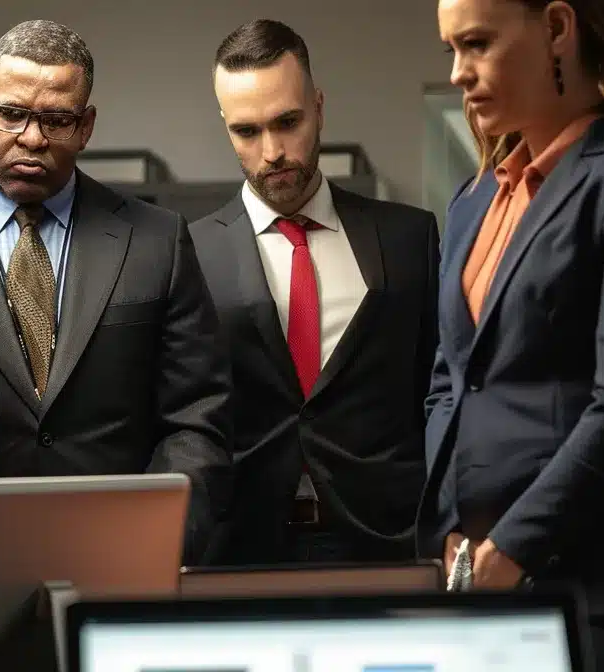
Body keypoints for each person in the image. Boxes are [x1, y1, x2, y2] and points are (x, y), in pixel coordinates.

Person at [427, 0, 604, 669]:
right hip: (487, 592)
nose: (457, 73)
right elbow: (450, 381)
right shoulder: (473, 203)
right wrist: (450, 530)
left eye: (475, 44)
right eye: (450, 49)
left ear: (558, 28)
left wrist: (514, 548)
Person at [0, 19, 232, 562]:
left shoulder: (156, 240)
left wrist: (162, 536)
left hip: (125, 552)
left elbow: (197, 415)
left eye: (57, 119)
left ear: (86, 126)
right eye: (12, 114)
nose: (32, 138)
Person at [191, 20, 439, 565]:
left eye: (288, 122)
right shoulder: (189, 254)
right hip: (242, 548)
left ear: (319, 108)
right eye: (247, 132)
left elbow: (436, 392)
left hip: (386, 542)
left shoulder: (408, 238)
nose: (272, 151)